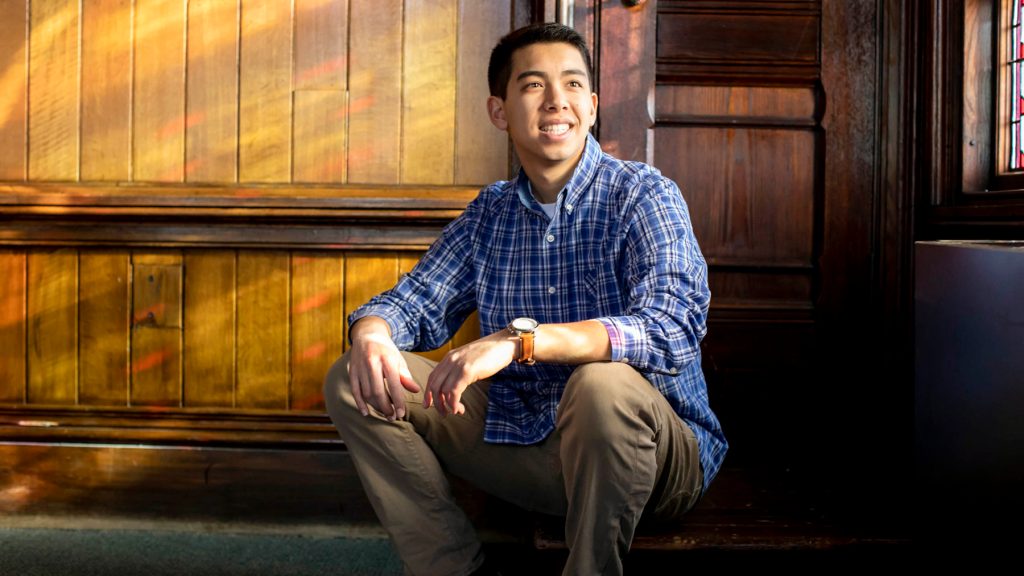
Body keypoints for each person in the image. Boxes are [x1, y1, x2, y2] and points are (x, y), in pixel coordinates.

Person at [323, 22, 727, 576]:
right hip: (529, 445)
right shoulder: (490, 213)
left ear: (591, 106)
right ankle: (452, 567)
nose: (556, 100)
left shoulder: (644, 194)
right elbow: (412, 302)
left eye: (572, 85)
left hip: (654, 460)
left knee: (600, 382)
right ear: (500, 111)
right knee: (354, 377)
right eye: (534, 85)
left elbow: (672, 329)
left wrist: (521, 343)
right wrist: (371, 331)